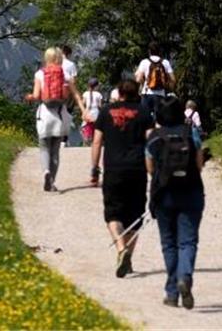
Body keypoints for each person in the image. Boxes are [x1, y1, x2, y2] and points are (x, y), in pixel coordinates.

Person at [90, 78, 154, 278]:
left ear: (119, 92)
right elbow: (151, 142)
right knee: (135, 216)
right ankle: (128, 257)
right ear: (137, 93)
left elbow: (97, 141)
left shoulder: (106, 111)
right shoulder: (144, 113)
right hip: (137, 169)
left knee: (113, 213)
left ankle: (120, 249)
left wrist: (94, 168)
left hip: (114, 169)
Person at [145, 97, 206, 309]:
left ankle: (171, 293)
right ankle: (185, 277)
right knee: (188, 242)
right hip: (191, 191)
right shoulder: (191, 133)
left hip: (164, 195)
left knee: (168, 243)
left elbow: (150, 169)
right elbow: (199, 165)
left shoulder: (154, 136)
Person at [25, 47, 73, 192]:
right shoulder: (64, 74)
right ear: (59, 58)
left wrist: (29, 97)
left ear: (46, 58)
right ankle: (52, 182)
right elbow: (65, 97)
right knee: (55, 150)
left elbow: (36, 95)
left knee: (44, 147)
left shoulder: (39, 74)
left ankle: (46, 171)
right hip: (59, 114)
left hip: (44, 114)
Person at [135, 41, 174, 116]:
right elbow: (173, 79)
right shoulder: (165, 62)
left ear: (149, 51)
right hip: (160, 94)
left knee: (145, 117)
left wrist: (143, 83)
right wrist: (168, 87)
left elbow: (138, 79)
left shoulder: (144, 62)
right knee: (159, 118)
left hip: (146, 93)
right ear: (159, 51)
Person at [81, 78, 104, 144]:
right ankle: (94, 141)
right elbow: (100, 106)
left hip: (88, 112)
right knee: (96, 128)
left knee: (86, 126)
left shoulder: (85, 93)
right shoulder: (99, 94)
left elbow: (83, 103)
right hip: (96, 113)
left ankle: (87, 140)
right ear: (96, 86)